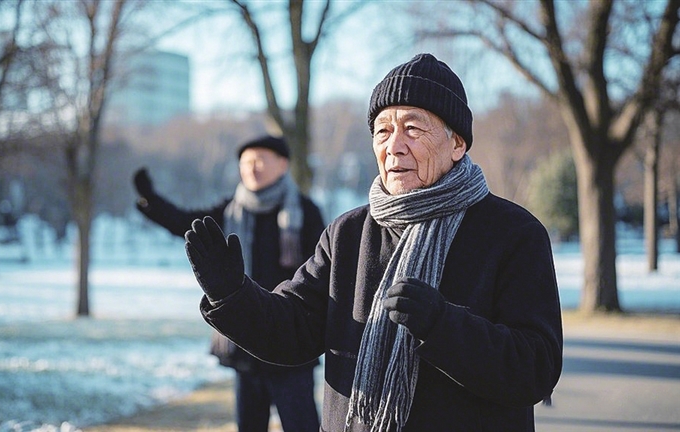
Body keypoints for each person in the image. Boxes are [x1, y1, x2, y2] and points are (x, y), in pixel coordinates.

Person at [184, 53, 563, 431]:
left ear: (457, 144)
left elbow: (536, 369)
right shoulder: (347, 233)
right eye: (383, 131)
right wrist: (232, 295)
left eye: (413, 129)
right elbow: (291, 331)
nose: (394, 145)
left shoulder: (513, 233)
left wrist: (442, 324)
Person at [133, 135, 324, 432]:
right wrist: (152, 200)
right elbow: (187, 224)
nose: (252, 168)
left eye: (260, 160)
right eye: (245, 162)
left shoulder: (305, 212)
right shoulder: (231, 210)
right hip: (245, 343)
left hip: (291, 345)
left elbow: (321, 275)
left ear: (283, 164)